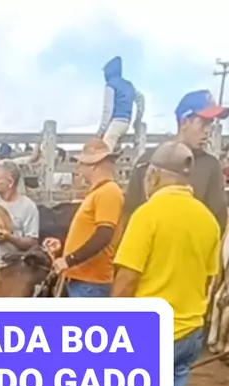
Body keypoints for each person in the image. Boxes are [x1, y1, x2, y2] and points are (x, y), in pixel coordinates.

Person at [113, 141, 220, 386]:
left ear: (153, 175)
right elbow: (209, 280)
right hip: (190, 332)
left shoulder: (147, 215)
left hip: (151, 333)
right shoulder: (208, 220)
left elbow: (127, 279)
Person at [124, 90, 228, 235]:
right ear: (184, 122)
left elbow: (218, 221)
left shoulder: (210, 166)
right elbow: (130, 212)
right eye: (203, 122)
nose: (207, 130)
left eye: (210, 123)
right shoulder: (148, 160)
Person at [53, 139, 124, 297]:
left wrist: (69, 260)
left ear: (94, 165)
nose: (79, 168)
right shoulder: (101, 192)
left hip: (90, 283)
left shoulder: (108, 192)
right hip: (86, 281)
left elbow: (104, 234)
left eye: (82, 163)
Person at [0, 160, 39, 264]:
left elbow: (32, 243)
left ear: (10, 182)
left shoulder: (28, 207)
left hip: (17, 267)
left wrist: (9, 238)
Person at [97, 56, 145, 153]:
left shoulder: (111, 85)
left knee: (104, 151)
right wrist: (137, 119)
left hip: (116, 122)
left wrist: (101, 130)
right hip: (126, 123)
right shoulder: (129, 85)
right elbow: (141, 99)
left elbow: (108, 109)